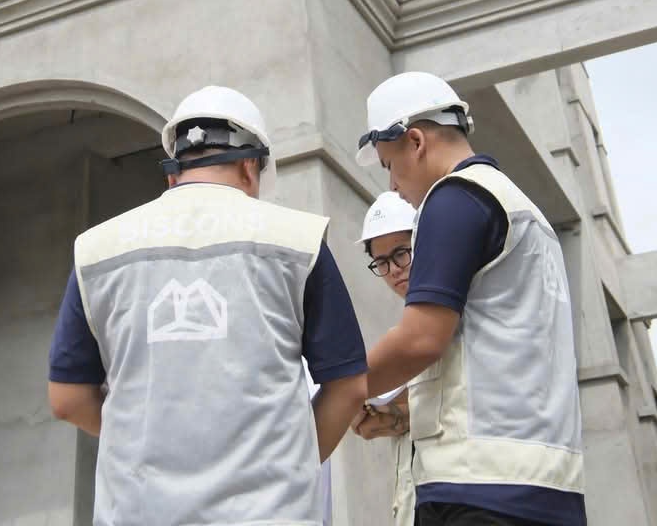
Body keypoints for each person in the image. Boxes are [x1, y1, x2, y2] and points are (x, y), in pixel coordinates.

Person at [48, 86, 369, 526]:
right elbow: (349, 388)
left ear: (172, 172)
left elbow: (66, 399)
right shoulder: (298, 241)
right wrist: (286, 464)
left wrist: (150, 438)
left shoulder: (97, 251)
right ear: (250, 165)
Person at [355, 72, 586, 526]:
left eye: (388, 165)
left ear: (415, 142)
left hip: (479, 493)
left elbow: (421, 339)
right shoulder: (526, 214)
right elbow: (497, 358)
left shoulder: (454, 198)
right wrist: (402, 417)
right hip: (547, 485)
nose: (394, 188)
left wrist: (338, 392)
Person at [350, 192, 419, 526]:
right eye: (381, 262)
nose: (393, 270)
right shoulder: (406, 328)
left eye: (401, 253)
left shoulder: (468, 312)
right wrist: (390, 418)